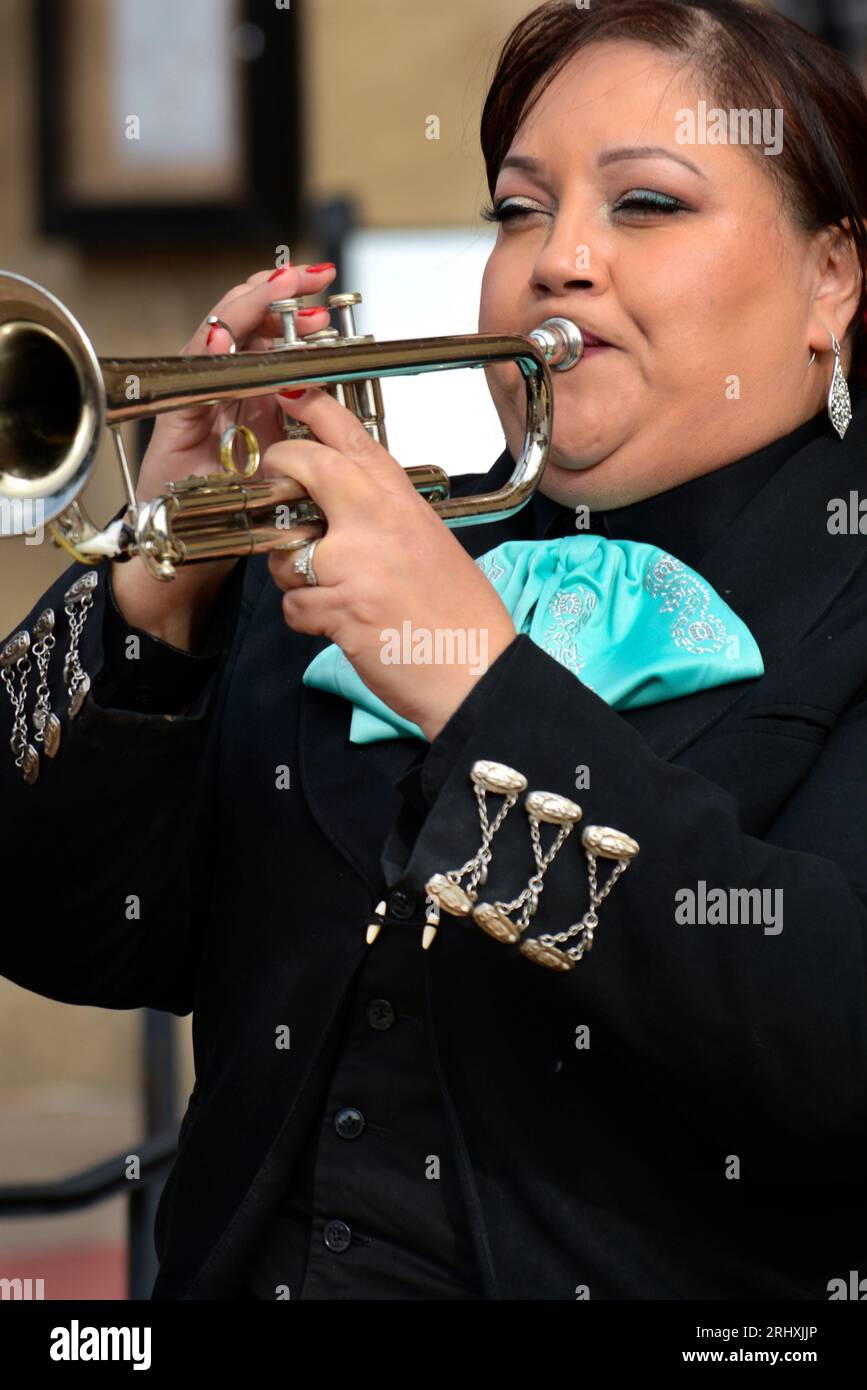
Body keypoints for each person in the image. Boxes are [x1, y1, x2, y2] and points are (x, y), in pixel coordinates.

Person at [2, 0, 867, 1300]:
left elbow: (830, 1041)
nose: (559, 258)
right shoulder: (367, 552)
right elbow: (66, 928)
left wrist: (483, 689)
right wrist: (155, 586)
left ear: (833, 280)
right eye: (517, 211)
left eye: (645, 205)